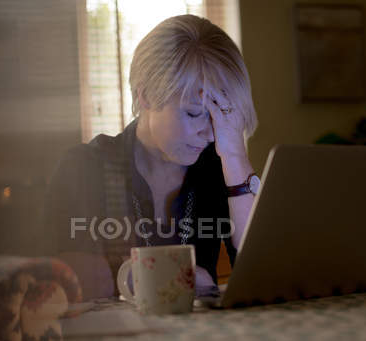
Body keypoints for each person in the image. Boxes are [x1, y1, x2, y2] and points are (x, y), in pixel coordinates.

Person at [44, 14, 258, 299]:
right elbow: (55, 288)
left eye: (220, 115)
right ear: (145, 95)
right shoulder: (83, 168)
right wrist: (167, 279)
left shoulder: (218, 169)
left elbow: (263, 271)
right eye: (194, 113)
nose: (209, 133)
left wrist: (234, 155)